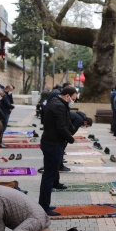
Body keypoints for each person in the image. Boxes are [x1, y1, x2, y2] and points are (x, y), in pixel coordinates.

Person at [40, 86, 77, 215]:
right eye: (73, 99)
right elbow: (61, 127)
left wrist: (71, 129)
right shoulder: (59, 106)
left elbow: (65, 121)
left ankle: (44, 204)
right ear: (67, 96)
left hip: (51, 142)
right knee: (48, 177)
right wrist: (71, 139)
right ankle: (44, 207)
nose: (73, 101)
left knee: (49, 175)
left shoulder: (57, 101)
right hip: (53, 144)